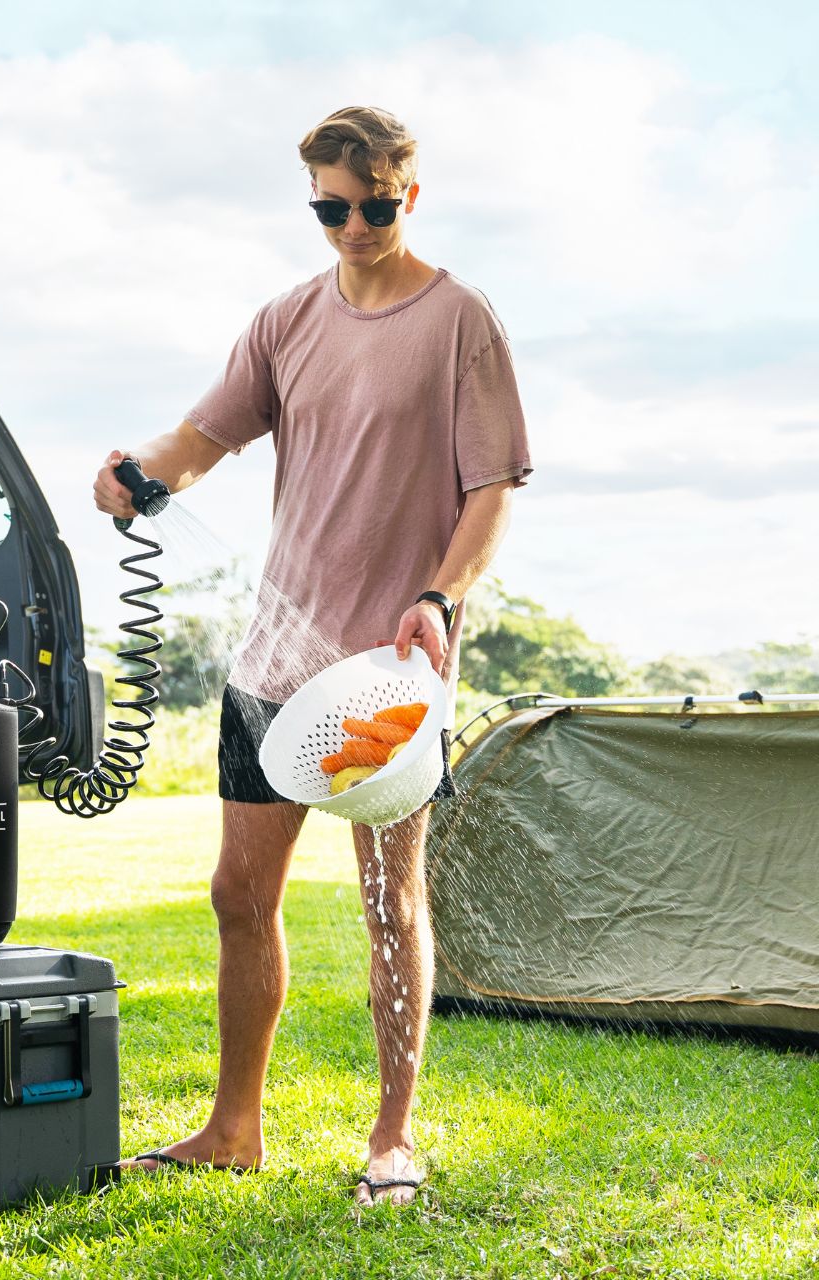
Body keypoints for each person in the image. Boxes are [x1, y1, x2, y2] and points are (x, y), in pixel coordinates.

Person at [93, 105, 532, 1207]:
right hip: (272, 665)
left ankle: (391, 1135)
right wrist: (135, 471)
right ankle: (231, 1127)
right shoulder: (284, 321)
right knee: (237, 894)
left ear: (409, 195)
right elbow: (199, 441)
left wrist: (438, 594)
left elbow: (489, 492)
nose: (352, 225)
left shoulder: (460, 320)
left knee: (388, 897)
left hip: (389, 667)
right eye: (331, 208)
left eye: (373, 205)